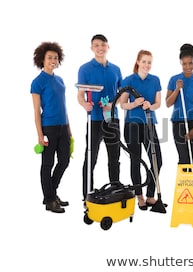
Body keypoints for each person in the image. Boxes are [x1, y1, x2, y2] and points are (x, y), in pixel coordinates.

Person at [77, 34, 122, 201]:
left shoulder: (116, 69)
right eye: (96, 45)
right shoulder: (84, 69)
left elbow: (122, 95)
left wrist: (112, 104)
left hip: (112, 119)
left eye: (103, 45)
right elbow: (80, 94)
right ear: (92, 48)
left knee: (114, 158)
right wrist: (84, 104)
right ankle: (86, 195)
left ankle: (116, 192)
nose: (100, 48)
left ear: (108, 47)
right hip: (94, 120)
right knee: (91, 157)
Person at [31, 42, 71, 213]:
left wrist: (69, 129)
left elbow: (64, 106)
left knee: (64, 161)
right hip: (49, 128)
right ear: (42, 59)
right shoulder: (37, 82)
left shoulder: (60, 80)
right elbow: (36, 111)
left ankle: (51, 194)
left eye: (55, 57)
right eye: (49, 58)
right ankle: (49, 199)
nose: (53, 60)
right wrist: (40, 134)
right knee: (48, 164)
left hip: (63, 127)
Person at [119, 49, 162, 210]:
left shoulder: (155, 80)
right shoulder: (128, 80)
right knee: (135, 161)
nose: (146, 65)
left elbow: (158, 103)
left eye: (149, 62)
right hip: (132, 125)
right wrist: (135, 104)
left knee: (157, 160)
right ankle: (140, 196)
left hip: (150, 124)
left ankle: (151, 195)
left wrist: (150, 105)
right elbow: (122, 104)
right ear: (138, 62)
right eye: (144, 61)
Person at [166, 44, 193, 166]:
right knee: (183, 159)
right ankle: (184, 185)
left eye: (190, 63)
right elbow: (168, 103)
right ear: (180, 63)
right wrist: (177, 89)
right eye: (184, 64)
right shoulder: (174, 80)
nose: (188, 67)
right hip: (178, 123)